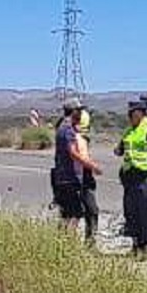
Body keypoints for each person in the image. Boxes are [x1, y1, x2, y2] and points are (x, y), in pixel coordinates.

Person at [115, 95, 147, 259]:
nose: (129, 117)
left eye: (131, 113)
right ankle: (135, 245)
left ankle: (146, 248)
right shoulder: (129, 130)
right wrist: (118, 150)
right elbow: (120, 149)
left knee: (145, 213)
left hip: (145, 177)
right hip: (130, 178)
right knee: (131, 213)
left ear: (140, 113)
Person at [51, 99, 101, 241]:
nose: (81, 113)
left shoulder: (64, 128)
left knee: (68, 214)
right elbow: (73, 153)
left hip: (64, 177)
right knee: (74, 214)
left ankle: (63, 245)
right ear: (73, 112)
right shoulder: (67, 130)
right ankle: (67, 246)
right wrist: (92, 166)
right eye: (79, 110)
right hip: (71, 178)